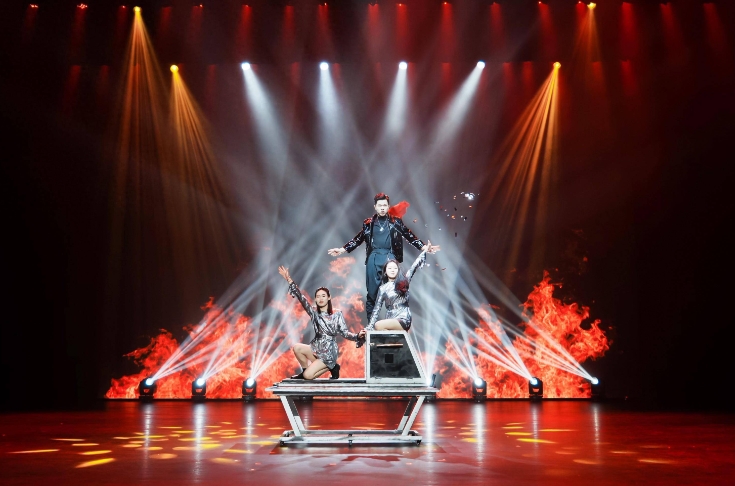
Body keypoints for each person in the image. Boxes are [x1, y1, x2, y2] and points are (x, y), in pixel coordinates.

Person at [328, 193, 439, 320]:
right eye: (380, 205)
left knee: (393, 291)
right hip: (374, 258)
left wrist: (423, 247)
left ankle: (393, 322)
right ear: (375, 207)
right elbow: (358, 239)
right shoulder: (368, 223)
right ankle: (371, 326)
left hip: (390, 257)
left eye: (384, 205)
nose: (382, 208)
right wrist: (342, 249)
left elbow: (409, 235)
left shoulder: (396, 222)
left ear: (388, 206)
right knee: (372, 293)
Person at [278, 265, 365, 380]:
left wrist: (357, 336)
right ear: (316, 299)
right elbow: (301, 298)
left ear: (329, 297)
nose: (320, 298)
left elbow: (344, 333)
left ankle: (331, 367)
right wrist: (289, 280)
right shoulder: (314, 312)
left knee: (308, 376)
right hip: (316, 349)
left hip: (329, 353)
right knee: (297, 348)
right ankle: (306, 371)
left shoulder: (337, 314)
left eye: (323, 296)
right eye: (318, 296)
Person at [364, 241, 439, 333]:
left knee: (378, 325)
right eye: (390, 268)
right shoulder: (383, 288)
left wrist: (425, 251)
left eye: (395, 268)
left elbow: (414, 266)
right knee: (378, 332)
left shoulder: (404, 280)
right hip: (391, 317)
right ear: (385, 271)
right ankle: (393, 339)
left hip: (403, 317)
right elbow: (377, 308)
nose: (392, 270)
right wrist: (369, 327)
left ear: (398, 270)